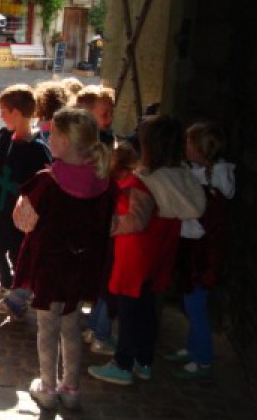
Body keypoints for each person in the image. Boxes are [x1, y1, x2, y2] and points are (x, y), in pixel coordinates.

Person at [11, 108, 116, 409]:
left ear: (66, 142)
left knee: (48, 326)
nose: (49, 136)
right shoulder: (103, 182)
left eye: (54, 133)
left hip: (50, 264)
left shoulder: (47, 181)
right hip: (82, 266)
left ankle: (47, 387)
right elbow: (111, 226)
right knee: (71, 324)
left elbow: (24, 222)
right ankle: (71, 388)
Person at [88, 115, 205, 385]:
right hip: (161, 251)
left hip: (137, 254)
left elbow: (135, 219)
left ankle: (122, 364)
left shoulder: (145, 181)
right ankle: (144, 360)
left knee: (130, 311)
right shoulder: (181, 176)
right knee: (148, 310)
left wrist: (106, 225)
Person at [166, 121, 235, 379]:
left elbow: (200, 225)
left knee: (196, 306)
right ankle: (193, 348)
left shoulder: (212, 188)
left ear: (198, 149)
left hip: (203, 256)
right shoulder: (203, 178)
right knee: (190, 302)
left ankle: (203, 358)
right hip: (198, 253)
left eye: (188, 144)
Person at [0, 85, 52, 305]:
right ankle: (7, 282)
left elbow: (41, 184)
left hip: (19, 213)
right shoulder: (5, 139)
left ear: (15, 112)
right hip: (0, 208)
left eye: (4, 111)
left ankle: (19, 291)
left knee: (18, 252)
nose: (1, 116)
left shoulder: (37, 148)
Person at [84, 140, 138, 356]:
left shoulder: (104, 184)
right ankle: (101, 336)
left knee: (102, 291)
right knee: (109, 294)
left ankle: (93, 328)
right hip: (115, 247)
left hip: (103, 246)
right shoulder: (121, 190)